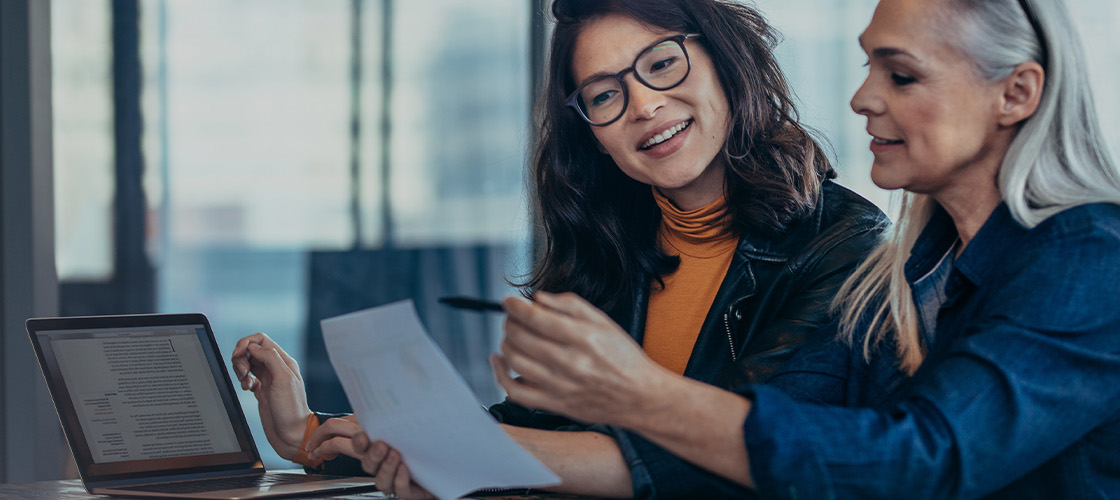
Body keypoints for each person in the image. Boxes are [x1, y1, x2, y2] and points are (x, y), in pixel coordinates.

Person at [233, 0, 887, 495]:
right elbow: (538, 430)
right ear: (590, 129)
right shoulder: (607, 241)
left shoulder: (846, 245)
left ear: (723, 59)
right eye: (605, 94)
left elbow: (737, 453)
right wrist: (309, 434)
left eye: (662, 64)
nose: (645, 106)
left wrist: (461, 447)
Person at [484, 0, 1120, 497]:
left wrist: (638, 394)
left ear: (1016, 94)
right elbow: (810, 448)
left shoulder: (1090, 256)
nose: (862, 98)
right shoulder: (917, 264)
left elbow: (920, 458)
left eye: (900, 74)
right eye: (870, 66)